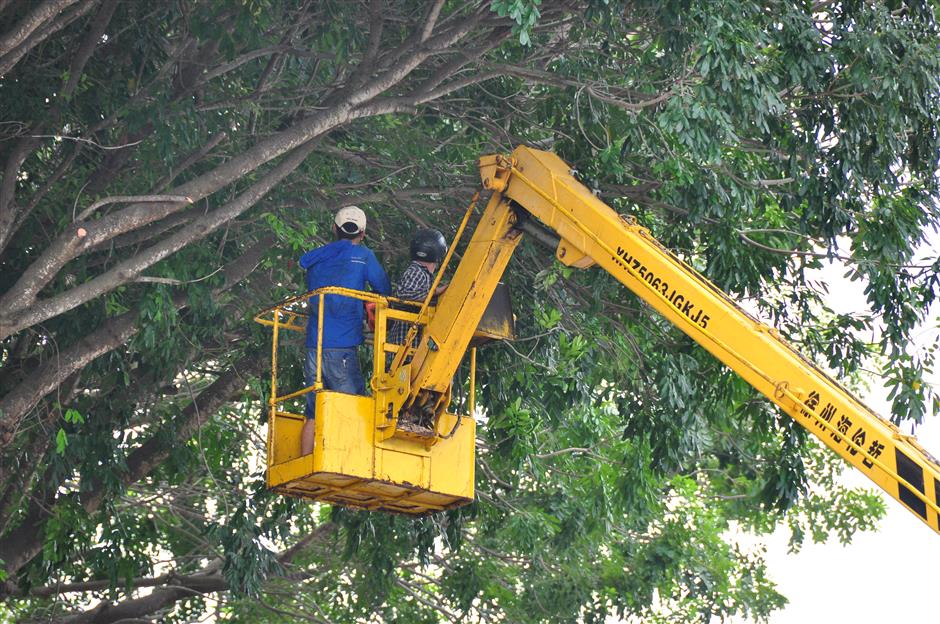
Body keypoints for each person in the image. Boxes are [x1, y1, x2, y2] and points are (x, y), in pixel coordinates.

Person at [299, 206, 391, 455]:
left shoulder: (317, 258)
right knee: (353, 405)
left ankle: (305, 461)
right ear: (362, 233)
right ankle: (351, 459)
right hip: (341, 348)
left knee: (313, 411)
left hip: (313, 346)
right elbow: (384, 289)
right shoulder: (363, 255)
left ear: (334, 229)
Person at [386, 228, 448, 370]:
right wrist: (435, 294)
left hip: (409, 352)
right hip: (405, 351)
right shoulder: (417, 271)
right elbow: (405, 295)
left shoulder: (422, 274)